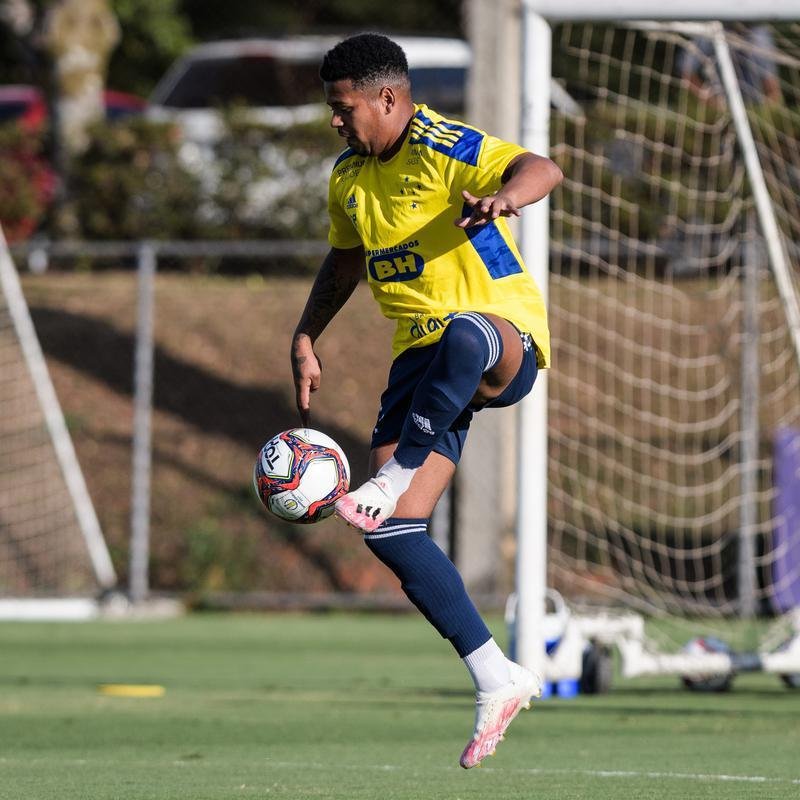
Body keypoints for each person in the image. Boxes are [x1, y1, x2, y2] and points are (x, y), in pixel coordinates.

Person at [290, 32, 562, 769]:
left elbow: (542, 167)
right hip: (419, 360)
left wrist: (504, 199)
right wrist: (307, 333)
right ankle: (495, 676)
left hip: (499, 339)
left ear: (388, 98)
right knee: (392, 532)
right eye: (330, 111)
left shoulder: (444, 144)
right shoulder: (348, 176)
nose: (336, 123)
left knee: (466, 337)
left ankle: (395, 470)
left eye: (343, 109)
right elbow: (345, 258)